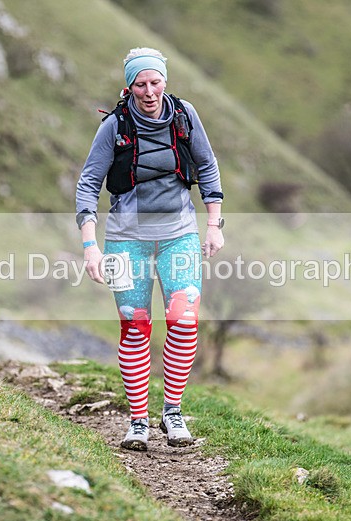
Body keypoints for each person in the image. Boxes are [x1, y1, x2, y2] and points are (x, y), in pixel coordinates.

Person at [76, 47, 225, 451]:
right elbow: (88, 184)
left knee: (184, 321)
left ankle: (172, 413)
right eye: (140, 84)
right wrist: (91, 246)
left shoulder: (184, 115)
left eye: (155, 82)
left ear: (165, 81)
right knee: (135, 326)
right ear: (129, 87)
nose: (149, 91)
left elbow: (208, 167)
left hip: (179, 234)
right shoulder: (115, 126)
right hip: (126, 241)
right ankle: (138, 422)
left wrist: (213, 224)